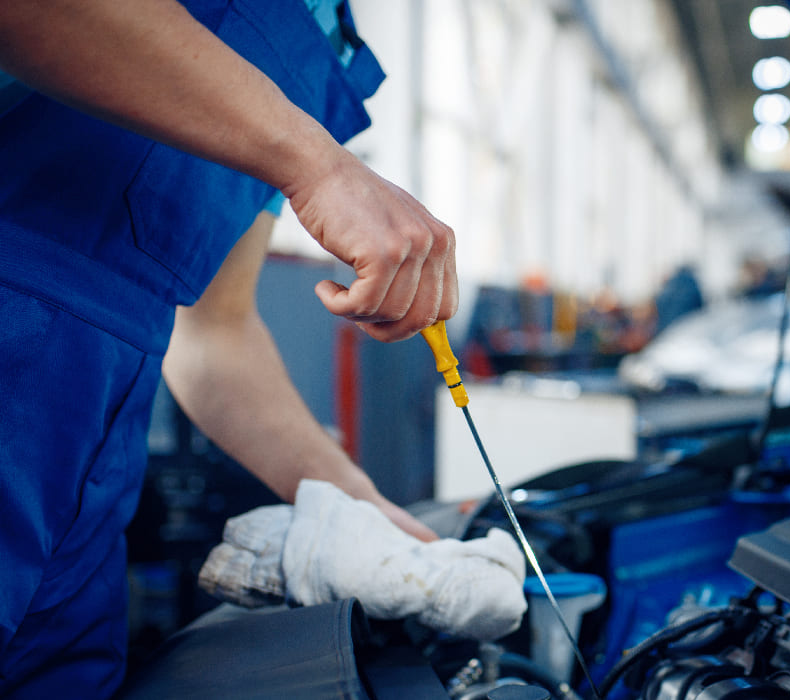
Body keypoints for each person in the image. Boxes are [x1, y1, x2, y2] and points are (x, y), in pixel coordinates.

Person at [0, 0, 454, 695]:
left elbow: (215, 330)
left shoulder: (321, 32)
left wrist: (359, 509)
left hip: (93, 472)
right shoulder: (303, 142)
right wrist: (319, 165)